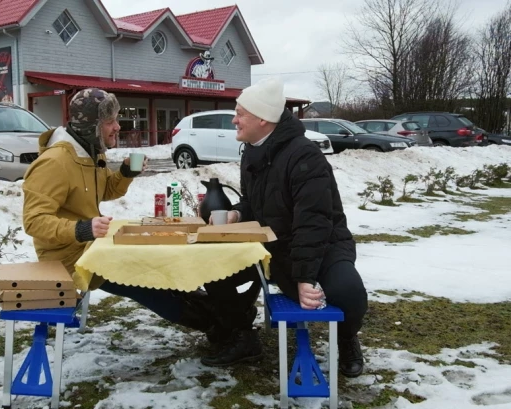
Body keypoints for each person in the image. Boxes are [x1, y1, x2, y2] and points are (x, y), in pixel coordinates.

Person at [21, 88, 216, 337]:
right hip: (68, 258)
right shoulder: (54, 162)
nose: (118, 127)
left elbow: (104, 192)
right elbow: (34, 221)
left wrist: (125, 173)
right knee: (140, 280)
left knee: (152, 263)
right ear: (92, 125)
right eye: (110, 121)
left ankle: (217, 310)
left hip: (92, 247)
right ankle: (213, 324)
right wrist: (82, 228)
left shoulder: (90, 151)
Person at [207, 77, 369, 377]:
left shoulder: (304, 156)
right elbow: (256, 203)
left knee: (348, 292)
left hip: (325, 246)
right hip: (276, 247)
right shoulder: (253, 151)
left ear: (263, 120)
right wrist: (237, 214)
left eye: (240, 113)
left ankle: (347, 338)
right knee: (216, 272)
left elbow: (315, 220)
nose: (234, 120)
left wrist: (305, 277)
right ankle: (242, 336)